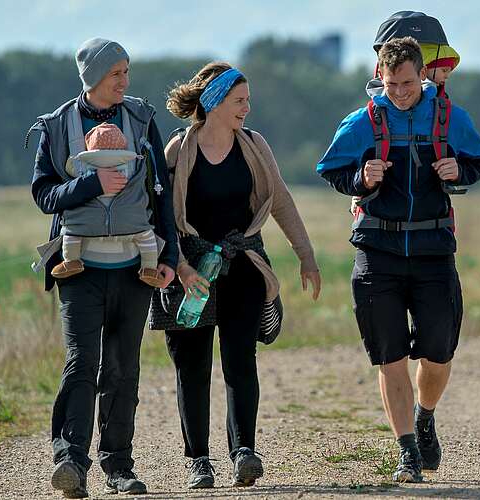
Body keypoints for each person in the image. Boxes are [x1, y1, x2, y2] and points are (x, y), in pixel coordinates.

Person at [317, 37, 480, 483]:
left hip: (433, 252)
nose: (399, 92)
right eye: (391, 84)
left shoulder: (450, 117)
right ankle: (407, 450)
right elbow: (331, 170)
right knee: (389, 356)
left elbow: (478, 160)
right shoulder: (362, 121)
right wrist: (360, 177)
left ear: (423, 75)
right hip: (378, 253)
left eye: (408, 83)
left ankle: (425, 415)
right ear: (381, 76)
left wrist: (458, 170)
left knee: (438, 351)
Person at [28, 37, 178, 498]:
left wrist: (169, 256)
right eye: (117, 74)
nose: (125, 82)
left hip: (135, 267)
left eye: (127, 72)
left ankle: (118, 466)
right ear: (93, 77)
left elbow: (161, 191)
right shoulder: (57, 126)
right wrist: (89, 185)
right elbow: (44, 195)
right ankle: (70, 462)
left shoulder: (142, 118)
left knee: (122, 368)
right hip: (79, 269)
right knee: (81, 364)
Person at [163, 62, 321, 489]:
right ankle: (198, 460)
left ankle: (244, 452)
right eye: (239, 101)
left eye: (247, 100)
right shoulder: (179, 150)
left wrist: (305, 255)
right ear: (213, 102)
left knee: (240, 361)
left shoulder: (253, 145)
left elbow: (281, 200)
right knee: (192, 367)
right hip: (193, 273)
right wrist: (177, 265)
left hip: (244, 265)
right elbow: (161, 215)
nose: (247, 109)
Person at [52, 122, 165, 287]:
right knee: (146, 236)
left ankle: (72, 261)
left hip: (86, 225)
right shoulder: (130, 165)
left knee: (71, 232)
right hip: (131, 224)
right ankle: (149, 268)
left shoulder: (84, 166)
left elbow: (69, 170)